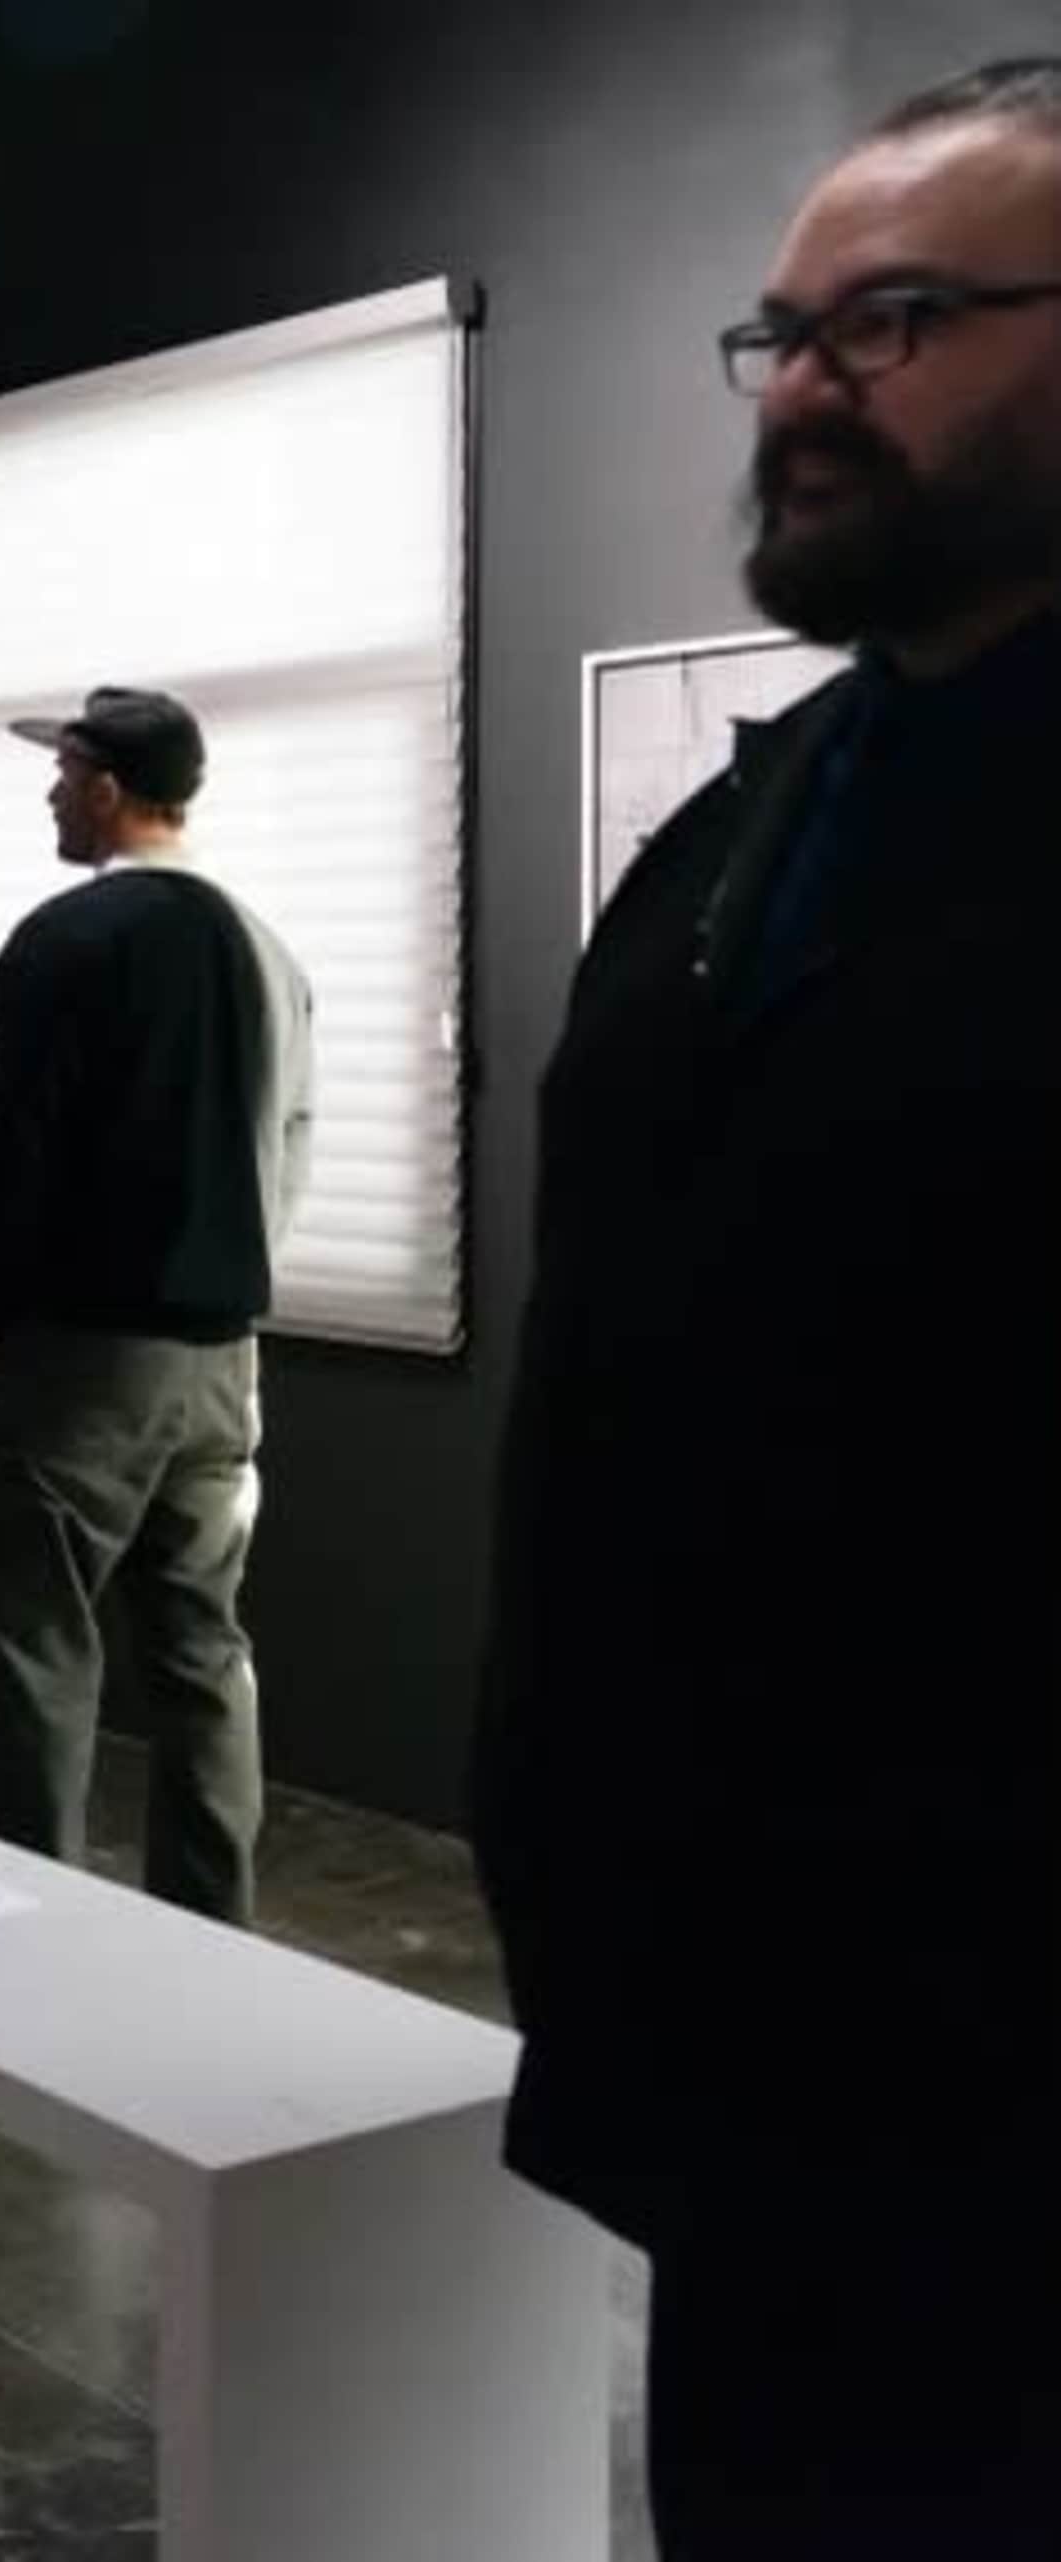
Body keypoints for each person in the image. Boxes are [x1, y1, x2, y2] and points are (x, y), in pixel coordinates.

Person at [471, 59, 1061, 2555]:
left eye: (892, 320)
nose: (804, 383)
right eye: (780, 330)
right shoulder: (749, 815)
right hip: (749, 2056)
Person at [0, 686, 312, 1924]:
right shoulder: (268, 950)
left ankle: (28, 1935)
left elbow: (6, 1152)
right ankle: (216, 1931)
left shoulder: (66, 945)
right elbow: (291, 1147)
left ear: (107, 788)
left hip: (84, 1361)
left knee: (33, 1652)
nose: (49, 790)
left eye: (63, 771)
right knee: (205, 1653)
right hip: (223, 1365)